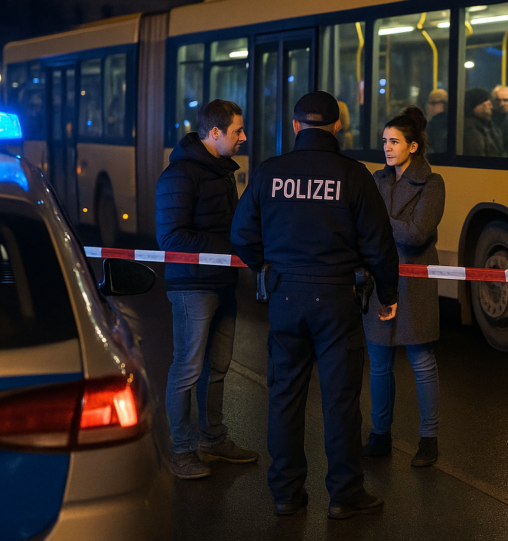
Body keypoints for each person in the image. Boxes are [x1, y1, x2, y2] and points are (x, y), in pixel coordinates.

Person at [230, 91, 400, 519]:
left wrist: (267, 266)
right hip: (338, 300)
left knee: (284, 397)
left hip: (286, 296)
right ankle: (344, 495)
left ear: (295, 126)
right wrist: (388, 294)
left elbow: (241, 235)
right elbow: (379, 245)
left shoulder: (270, 173)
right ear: (338, 126)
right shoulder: (354, 175)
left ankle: (287, 494)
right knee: (340, 401)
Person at [156, 99, 259, 479]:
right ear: (214, 133)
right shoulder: (180, 175)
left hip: (221, 282)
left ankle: (212, 440)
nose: (243, 137)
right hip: (192, 287)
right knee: (187, 368)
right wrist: (229, 249)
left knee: (216, 368)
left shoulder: (220, 171)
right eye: (237, 131)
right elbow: (170, 236)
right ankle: (181, 450)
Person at [361, 106, 446, 467]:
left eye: (394, 141)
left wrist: (378, 220)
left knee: (421, 361)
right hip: (379, 278)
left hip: (414, 280)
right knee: (379, 364)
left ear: (413, 146)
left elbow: (416, 235)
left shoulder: (432, 183)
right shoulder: (376, 180)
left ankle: (429, 438)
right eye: (384, 141)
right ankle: (380, 433)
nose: (387, 147)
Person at [462, 87, 502, 156]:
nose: (491, 107)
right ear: (477, 106)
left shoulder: (486, 125)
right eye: (488, 104)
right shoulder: (470, 129)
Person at [425, 88, 448, 154]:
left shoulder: (433, 126)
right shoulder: (453, 122)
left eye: (430, 103)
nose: (427, 106)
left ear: (439, 105)